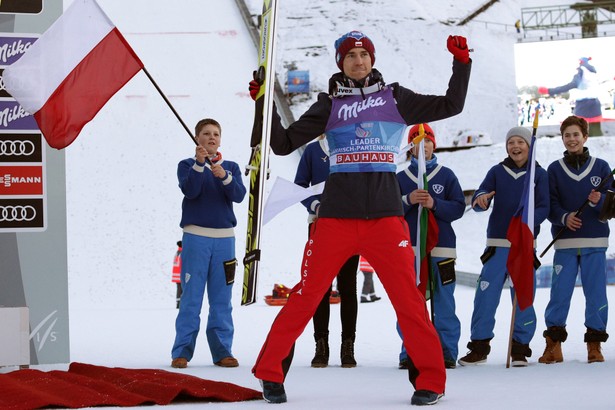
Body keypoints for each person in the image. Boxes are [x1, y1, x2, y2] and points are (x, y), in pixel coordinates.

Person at [249, 30, 472, 405]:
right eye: (350, 55)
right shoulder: (329, 105)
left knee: (409, 300)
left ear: (372, 59)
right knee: (306, 296)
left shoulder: (395, 99)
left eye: (363, 54)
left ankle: (430, 381)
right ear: (341, 62)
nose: (358, 60)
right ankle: (270, 373)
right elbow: (282, 143)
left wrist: (461, 63)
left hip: (386, 219)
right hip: (336, 218)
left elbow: (452, 104)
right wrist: (262, 103)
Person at [458, 126, 549, 367]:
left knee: (523, 297)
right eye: (511, 142)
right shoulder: (497, 171)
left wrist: (528, 221)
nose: (515, 146)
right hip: (497, 244)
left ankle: (520, 348)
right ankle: (479, 347)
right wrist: (481, 200)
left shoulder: (538, 174)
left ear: (530, 146)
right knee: (485, 297)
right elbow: (481, 196)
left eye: (521, 142)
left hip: (524, 244)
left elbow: (544, 206)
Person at [170, 118, 246, 369]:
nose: (211, 137)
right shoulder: (187, 165)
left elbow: (238, 195)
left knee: (222, 299)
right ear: (197, 138)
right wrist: (200, 165)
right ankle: (182, 350)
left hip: (225, 241)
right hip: (196, 238)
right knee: (191, 297)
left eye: (216, 133)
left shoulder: (231, 166)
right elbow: (190, 191)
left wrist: (224, 176)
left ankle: (223, 350)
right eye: (206, 133)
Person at [538, 115, 611, 364]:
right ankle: (553, 345)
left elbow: (613, 206)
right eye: (567, 135)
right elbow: (549, 205)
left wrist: (598, 200)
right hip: (565, 244)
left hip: (595, 242)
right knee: (559, 294)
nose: (571, 139)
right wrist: (564, 217)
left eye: (576, 135)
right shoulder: (555, 170)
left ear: (585, 137)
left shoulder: (601, 167)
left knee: (596, 295)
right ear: (562, 138)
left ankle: (594, 344)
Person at [396, 123, 465, 370]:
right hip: (410, 250)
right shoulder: (401, 178)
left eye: (427, 141)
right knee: (410, 302)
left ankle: (447, 350)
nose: (423, 146)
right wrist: (408, 200)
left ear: (433, 145)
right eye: (417, 142)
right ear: (410, 148)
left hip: (442, 249)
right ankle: (410, 350)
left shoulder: (446, 175)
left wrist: (435, 204)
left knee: (444, 301)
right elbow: (389, 210)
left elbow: (458, 208)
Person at [294, 135, 360, 368]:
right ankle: (321, 346)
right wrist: (316, 205)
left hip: (350, 225)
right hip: (320, 226)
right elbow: (300, 185)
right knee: (319, 287)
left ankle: (347, 346)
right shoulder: (313, 151)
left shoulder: (354, 146)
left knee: (348, 287)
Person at [538, 57, 604, 136]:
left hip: (583, 105)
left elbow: (573, 84)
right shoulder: (593, 72)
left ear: (580, 62)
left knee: (581, 134)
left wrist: (550, 91)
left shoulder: (581, 70)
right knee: (596, 132)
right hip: (595, 104)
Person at [172, 240, 183, 309]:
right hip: (181, 274)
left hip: (176, 275)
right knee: (182, 289)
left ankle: (178, 302)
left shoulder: (177, 253)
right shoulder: (182, 253)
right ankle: (180, 303)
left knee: (179, 289)